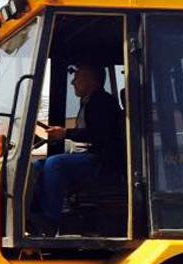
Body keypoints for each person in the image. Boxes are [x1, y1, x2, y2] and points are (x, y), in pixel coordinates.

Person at [31, 63, 125, 236]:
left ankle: (50, 221)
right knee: (36, 167)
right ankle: (33, 217)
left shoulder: (102, 102)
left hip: (102, 161)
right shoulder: (89, 102)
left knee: (55, 164)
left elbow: (98, 134)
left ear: (90, 79)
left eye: (77, 78)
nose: (73, 82)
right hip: (88, 156)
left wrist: (65, 133)